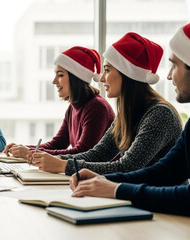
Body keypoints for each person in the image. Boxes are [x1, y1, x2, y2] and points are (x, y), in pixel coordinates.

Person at [70, 24, 190, 216]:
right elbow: (166, 170)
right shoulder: (127, 115)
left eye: (174, 65)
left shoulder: (160, 114)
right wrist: (109, 181)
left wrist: (116, 188)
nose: (168, 75)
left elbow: (133, 167)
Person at [31, 32, 182, 176]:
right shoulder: (127, 113)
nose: (101, 79)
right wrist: (58, 161)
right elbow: (99, 154)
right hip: (137, 195)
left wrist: (64, 166)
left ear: (128, 74)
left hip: (157, 200)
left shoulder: (160, 114)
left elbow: (127, 167)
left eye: (107, 70)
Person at [4, 46, 115, 158]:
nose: (54, 81)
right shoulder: (73, 107)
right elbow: (58, 144)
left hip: (100, 175)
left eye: (60, 75)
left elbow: (82, 152)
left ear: (75, 78)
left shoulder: (97, 107)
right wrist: (23, 149)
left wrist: (30, 153)